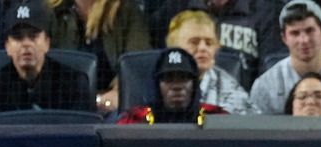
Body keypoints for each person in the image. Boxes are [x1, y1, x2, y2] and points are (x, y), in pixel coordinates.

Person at [0, 0, 94, 115]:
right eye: (18, 37)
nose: (26, 44)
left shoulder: (73, 83)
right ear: (7, 46)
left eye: (33, 36)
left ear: (47, 43)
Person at [46, 0, 151, 116]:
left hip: (111, 110)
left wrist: (119, 92)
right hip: (64, 105)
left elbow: (138, 64)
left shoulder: (126, 12)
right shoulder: (53, 11)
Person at [149, 0, 279, 86]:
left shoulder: (264, 10)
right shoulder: (176, 7)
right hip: (183, 96)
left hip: (240, 103)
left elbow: (269, 72)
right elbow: (156, 62)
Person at [166, 9, 253, 115]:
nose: (203, 48)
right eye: (194, 42)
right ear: (174, 47)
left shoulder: (231, 90)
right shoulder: (154, 82)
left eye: (209, 43)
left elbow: (254, 126)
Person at [115, 47, 226, 124]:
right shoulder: (135, 120)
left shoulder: (216, 118)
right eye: (169, 79)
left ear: (194, 85)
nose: (177, 86)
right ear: (157, 85)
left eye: (183, 78)